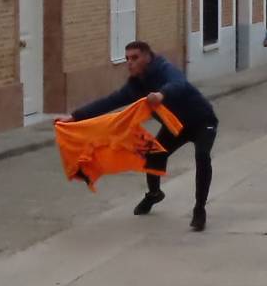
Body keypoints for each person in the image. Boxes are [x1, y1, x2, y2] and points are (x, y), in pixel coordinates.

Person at [69, 39, 217, 231]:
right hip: (176, 127)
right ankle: (154, 194)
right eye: (127, 59)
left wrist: (161, 94)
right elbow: (110, 102)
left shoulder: (163, 68)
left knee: (202, 156)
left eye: (135, 58)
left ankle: (199, 209)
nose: (130, 63)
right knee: (153, 157)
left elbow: (179, 82)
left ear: (147, 57)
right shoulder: (135, 86)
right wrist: (75, 117)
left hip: (202, 120)